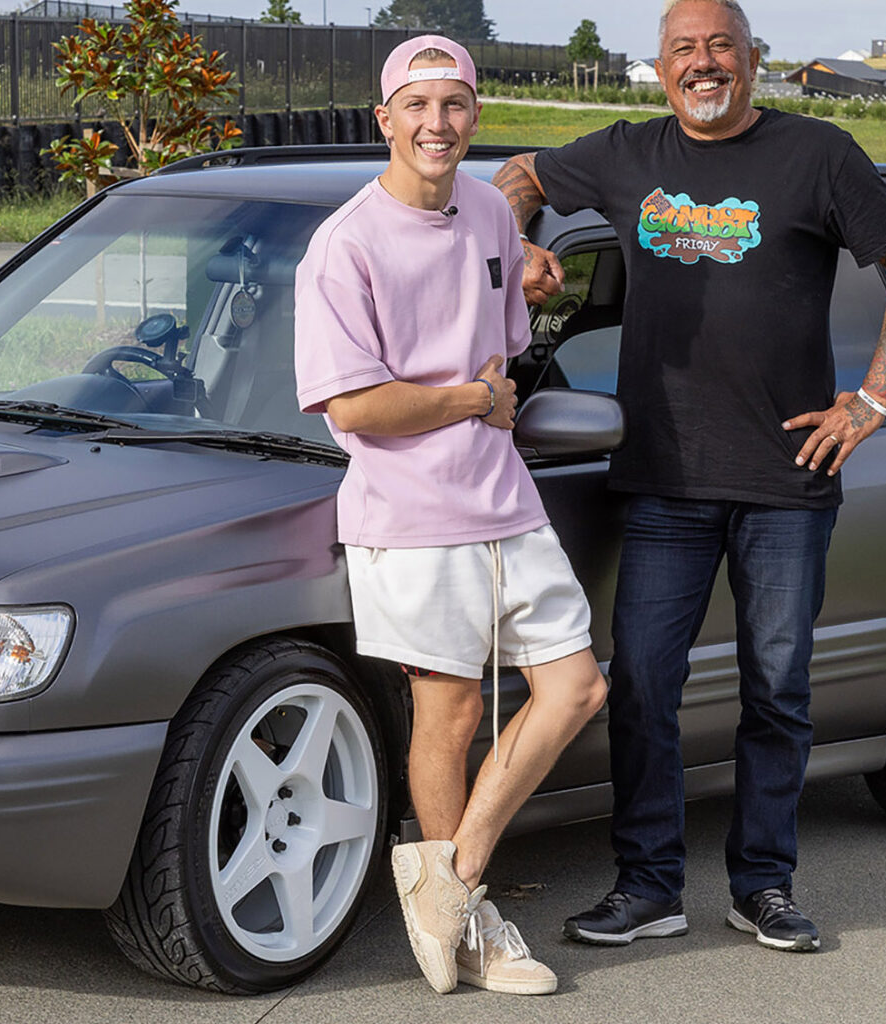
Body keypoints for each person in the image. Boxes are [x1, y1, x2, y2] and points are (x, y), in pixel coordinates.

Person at [492, 0, 886, 953]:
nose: (703, 64)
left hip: (787, 480)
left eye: (720, 47)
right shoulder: (625, 153)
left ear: (753, 58)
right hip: (663, 480)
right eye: (684, 50)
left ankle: (764, 886)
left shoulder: (817, 153)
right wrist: (513, 243)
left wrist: (869, 400)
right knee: (644, 687)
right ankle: (648, 887)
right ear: (661, 68)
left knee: (776, 690)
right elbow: (521, 175)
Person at [293, 35, 610, 995]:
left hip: (503, 497)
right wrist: (474, 400)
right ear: (385, 120)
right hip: (410, 512)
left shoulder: (487, 212)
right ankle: (469, 932)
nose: (438, 124)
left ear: (475, 115)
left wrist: (507, 345)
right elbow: (357, 407)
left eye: (456, 104)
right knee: (453, 710)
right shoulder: (345, 244)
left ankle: (453, 880)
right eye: (418, 106)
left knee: (576, 689)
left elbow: (500, 351)